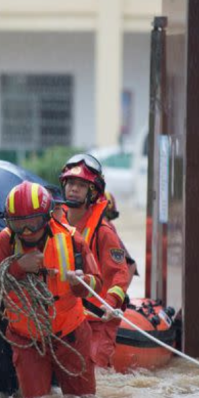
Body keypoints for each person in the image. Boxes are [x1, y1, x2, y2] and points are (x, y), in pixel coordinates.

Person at [0, 181, 102, 398]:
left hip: (71, 335)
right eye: (20, 225)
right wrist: (18, 267)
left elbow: (97, 283)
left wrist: (81, 283)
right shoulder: (4, 241)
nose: (27, 231)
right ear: (10, 222)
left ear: (47, 217)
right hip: (27, 339)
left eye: (33, 223)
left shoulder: (73, 240)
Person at [58, 154, 137, 368]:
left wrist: (109, 305)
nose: (74, 189)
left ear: (92, 192)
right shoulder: (55, 224)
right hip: (66, 316)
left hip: (99, 319)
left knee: (94, 371)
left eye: (81, 185)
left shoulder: (104, 231)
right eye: (71, 183)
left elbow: (120, 274)